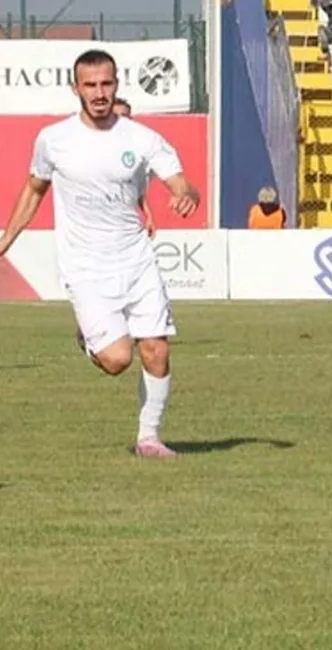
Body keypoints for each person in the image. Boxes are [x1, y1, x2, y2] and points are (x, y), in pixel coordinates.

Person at [0, 49, 201, 458]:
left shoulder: (141, 138)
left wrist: (184, 195)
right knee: (116, 359)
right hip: (85, 263)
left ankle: (149, 438)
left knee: (157, 348)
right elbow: (34, 190)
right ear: (75, 88)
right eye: (89, 85)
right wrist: (6, 239)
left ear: (116, 85)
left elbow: (181, 182)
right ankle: (90, 338)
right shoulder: (54, 139)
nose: (98, 92)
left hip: (136, 258)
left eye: (106, 84)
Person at [112, 98, 157, 240]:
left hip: (126, 225)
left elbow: (138, 191)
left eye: (124, 117)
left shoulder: (139, 151)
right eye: (116, 117)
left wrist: (148, 216)